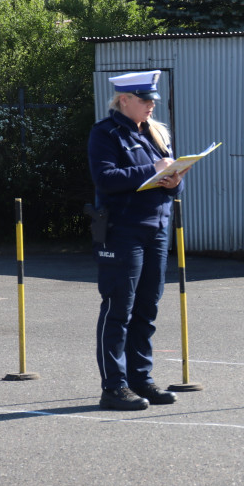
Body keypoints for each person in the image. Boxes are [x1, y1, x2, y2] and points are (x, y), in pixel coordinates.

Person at [88, 70, 187, 411]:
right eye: (144, 100)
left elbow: (171, 180)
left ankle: (140, 379)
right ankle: (114, 387)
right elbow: (105, 178)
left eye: (152, 101)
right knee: (119, 309)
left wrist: (174, 181)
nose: (150, 106)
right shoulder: (105, 133)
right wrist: (153, 170)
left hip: (155, 229)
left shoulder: (155, 133)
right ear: (124, 100)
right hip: (122, 230)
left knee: (147, 308)